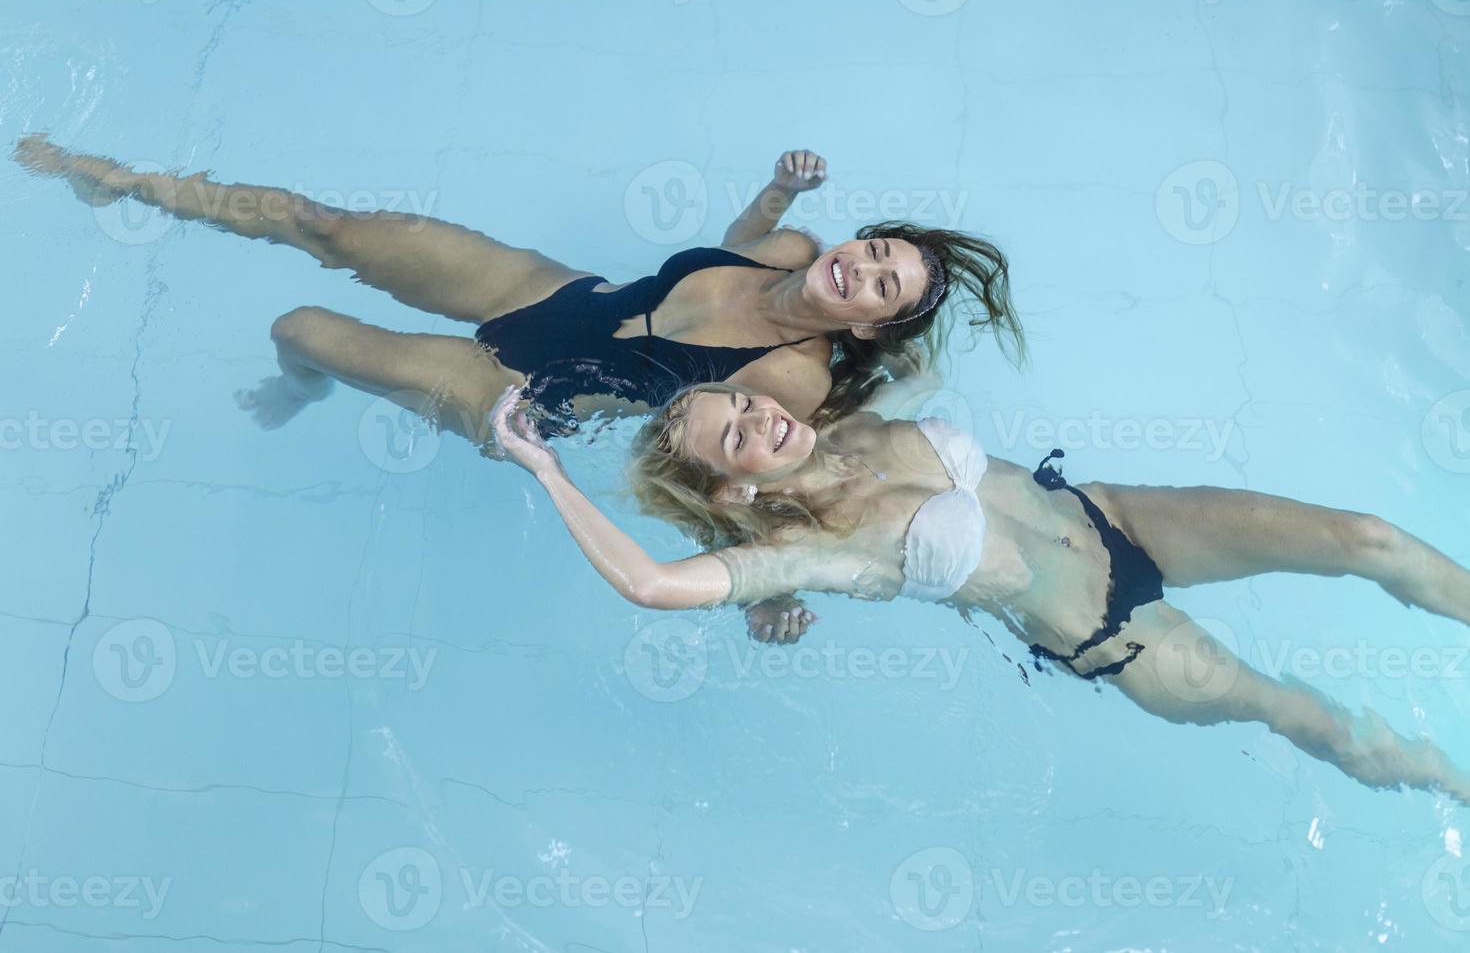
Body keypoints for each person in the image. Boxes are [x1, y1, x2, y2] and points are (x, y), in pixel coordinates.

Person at [489, 381, 1470, 805]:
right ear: (732, 487)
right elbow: (653, 581)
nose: (761, 419)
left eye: (749, 403)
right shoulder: (821, 550)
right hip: (1117, 634)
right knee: (1313, 718)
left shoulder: (850, 427)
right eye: (734, 435)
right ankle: (1450, 777)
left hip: (1118, 515)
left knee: (1365, 536)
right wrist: (545, 470)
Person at [14, 136, 1022, 443]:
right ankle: (116, 180)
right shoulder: (792, 244)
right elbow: (737, 239)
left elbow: (749, 470)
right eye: (877, 246)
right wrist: (776, 191)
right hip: (547, 289)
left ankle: (300, 382)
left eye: (883, 283)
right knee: (325, 226)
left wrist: (758, 591)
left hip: (516, 387)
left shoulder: (793, 378)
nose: (862, 264)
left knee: (300, 325)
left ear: (874, 320)